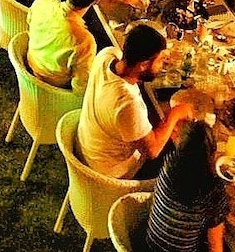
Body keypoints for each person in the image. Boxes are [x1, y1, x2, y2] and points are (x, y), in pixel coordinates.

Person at [78, 23, 195, 179]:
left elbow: (129, 68)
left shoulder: (106, 55)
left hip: (88, 145)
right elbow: (152, 151)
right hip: (109, 171)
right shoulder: (127, 103)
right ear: (144, 64)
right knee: (179, 158)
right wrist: (175, 114)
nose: (163, 65)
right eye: (161, 60)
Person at [145, 119, 229, 252]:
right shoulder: (212, 189)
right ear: (211, 152)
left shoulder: (169, 162)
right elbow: (215, 245)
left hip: (150, 244)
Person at [27, 0, 109, 94]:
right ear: (97, 0)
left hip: (31, 63)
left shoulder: (44, 0)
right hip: (55, 87)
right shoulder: (84, 41)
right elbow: (80, 88)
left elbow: (29, 22)